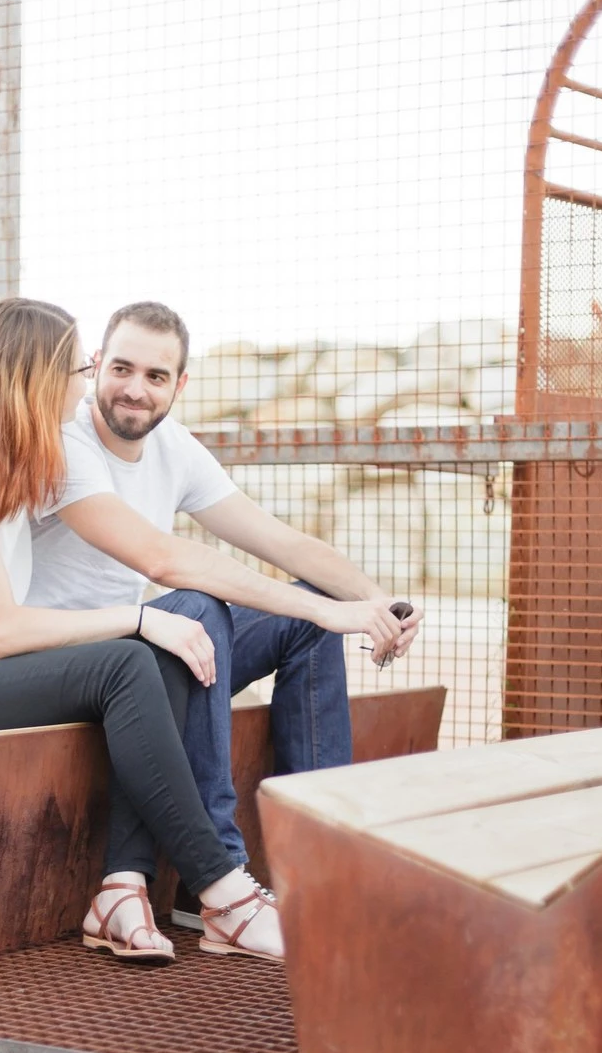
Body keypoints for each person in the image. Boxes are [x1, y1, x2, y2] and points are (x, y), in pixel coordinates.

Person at [0, 296, 283, 963]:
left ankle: (123, 886)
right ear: (40, 378)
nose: (87, 385)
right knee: (129, 657)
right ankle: (223, 891)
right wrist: (139, 617)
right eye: (80, 370)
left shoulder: (6, 460)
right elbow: (1, 630)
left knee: (152, 656)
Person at [27, 300, 424, 934]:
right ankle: (214, 877)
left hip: (154, 655)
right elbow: (164, 562)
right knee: (199, 606)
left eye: (156, 376)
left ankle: (320, 868)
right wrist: (331, 608)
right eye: (122, 368)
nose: (135, 389)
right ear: (96, 364)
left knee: (302, 620)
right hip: (79, 664)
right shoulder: (65, 441)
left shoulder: (172, 447)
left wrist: (375, 602)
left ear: (179, 384)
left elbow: (280, 541)